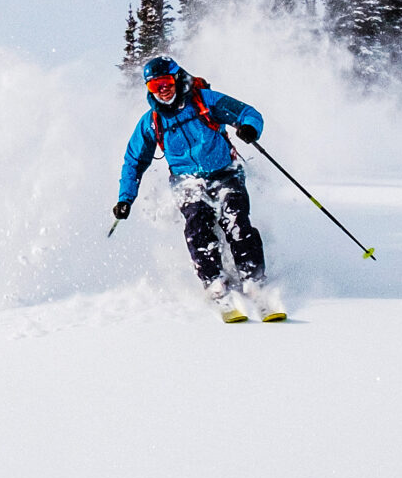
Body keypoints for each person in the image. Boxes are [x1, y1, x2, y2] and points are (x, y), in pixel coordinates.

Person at [114, 55, 281, 320]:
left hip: (225, 172)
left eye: (166, 82)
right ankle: (214, 282)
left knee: (236, 218)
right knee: (197, 224)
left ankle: (253, 280)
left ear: (177, 78)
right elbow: (134, 161)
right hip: (186, 181)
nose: (162, 90)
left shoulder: (205, 101)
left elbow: (248, 113)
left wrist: (249, 128)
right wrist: (126, 198)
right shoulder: (151, 121)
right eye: (154, 86)